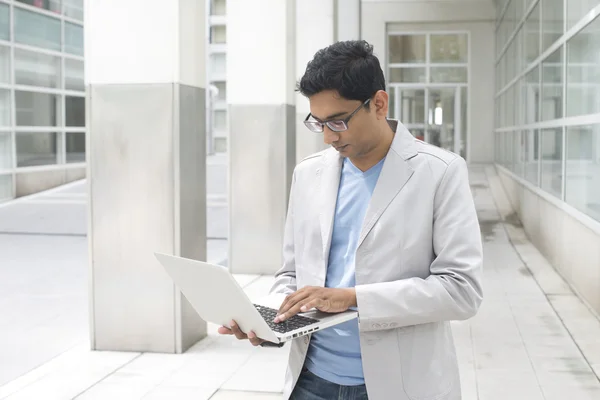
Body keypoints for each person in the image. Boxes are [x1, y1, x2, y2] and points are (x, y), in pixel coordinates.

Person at [218, 40, 483, 400]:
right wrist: (270, 320)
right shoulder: (307, 175)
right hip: (310, 380)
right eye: (318, 123)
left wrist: (352, 298)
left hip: (398, 384)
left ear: (378, 103)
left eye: (338, 121)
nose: (328, 137)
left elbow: (461, 290)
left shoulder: (439, 173)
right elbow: (292, 274)